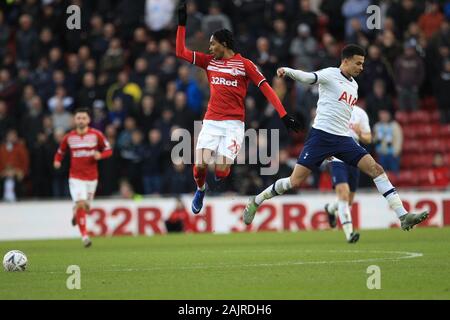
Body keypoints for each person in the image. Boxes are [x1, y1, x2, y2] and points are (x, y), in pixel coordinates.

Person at [243, 44, 429, 232]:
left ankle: (403, 215)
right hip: (320, 137)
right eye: (358, 63)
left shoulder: (354, 85)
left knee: (376, 169)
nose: (361, 67)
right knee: (294, 181)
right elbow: (308, 77)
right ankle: (256, 201)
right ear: (345, 61)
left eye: (363, 64)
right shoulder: (330, 74)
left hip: (343, 139)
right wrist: (288, 71)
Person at [175, 1, 301, 214]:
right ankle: (201, 189)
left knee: (222, 171)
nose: (209, 48)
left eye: (213, 44)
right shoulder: (209, 62)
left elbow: (267, 89)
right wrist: (181, 24)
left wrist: (284, 115)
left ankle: (219, 175)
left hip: (234, 124)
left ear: (224, 44)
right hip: (212, 121)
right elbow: (180, 51)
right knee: (199, 168)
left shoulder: (245, 65)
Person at [53, 108, 112, 247]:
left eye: (83, 118)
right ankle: (85, 236)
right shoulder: (69, 137)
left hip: (92, 177)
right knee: (81, 203)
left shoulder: (96, 135)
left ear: (88, 120)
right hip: (76, 177)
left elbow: (108, 150)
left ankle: (76, 213)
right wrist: (57, 161)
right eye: (78, 118)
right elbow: (60, 152)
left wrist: (100, 155)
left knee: (86, 207)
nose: (81, 120)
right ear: (75, 120)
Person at [324, 105, 372, 243]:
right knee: (343, 193)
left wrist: (360, 133)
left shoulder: (360, 113)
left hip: (354, 158)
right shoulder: (332, 108)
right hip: (337, 157)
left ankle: (330, 208)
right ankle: (350, 234)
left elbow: (368, 138)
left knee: (348, 200)